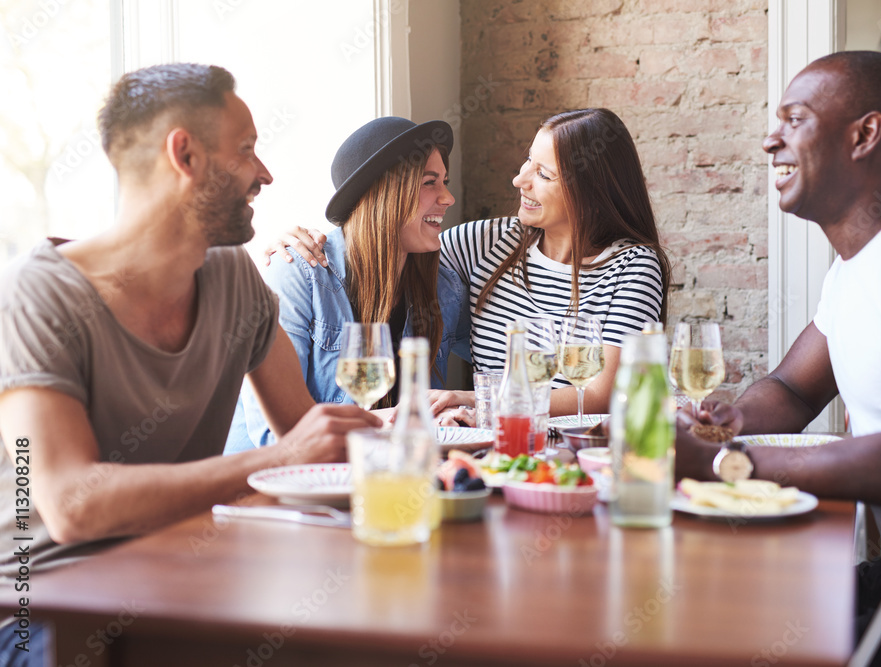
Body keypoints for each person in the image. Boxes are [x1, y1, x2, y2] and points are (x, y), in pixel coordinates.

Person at [677, 51, 881, 665]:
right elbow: (793, 391)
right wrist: (717, 426)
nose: (771, 139)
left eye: (793, 119)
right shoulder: (856, 268)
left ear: (865, 135)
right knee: (719, 616)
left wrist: (726, 463)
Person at [0, 63, 381, 584]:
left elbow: (305, 432)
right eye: (246, 149)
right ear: (185, 156)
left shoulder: (232, 274)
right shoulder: (34, 294)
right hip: (43, 605)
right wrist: (284, 456)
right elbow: (71, 505)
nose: (264, 173)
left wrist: (422, 450)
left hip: (185, 576)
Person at [271, 108, 671, 418]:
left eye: (543, 173)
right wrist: (292, 246)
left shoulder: (632, 266)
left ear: (590, 190)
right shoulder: (482, 245)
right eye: (526, 162)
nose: (520, 180)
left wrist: (463, 399)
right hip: (496, 454)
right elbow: (383, 241)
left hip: (580, 454)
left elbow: (602, 395)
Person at [225, 117, 470, 452]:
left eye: (445, 182)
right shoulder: (300, 272)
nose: (448, 198)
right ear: (384, 193)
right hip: (281, 490)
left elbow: (510, 377)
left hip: (376, 474)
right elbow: (273, 435)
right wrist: (402, 420)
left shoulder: (443, 288)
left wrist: (451, 410)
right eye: (430, 183)